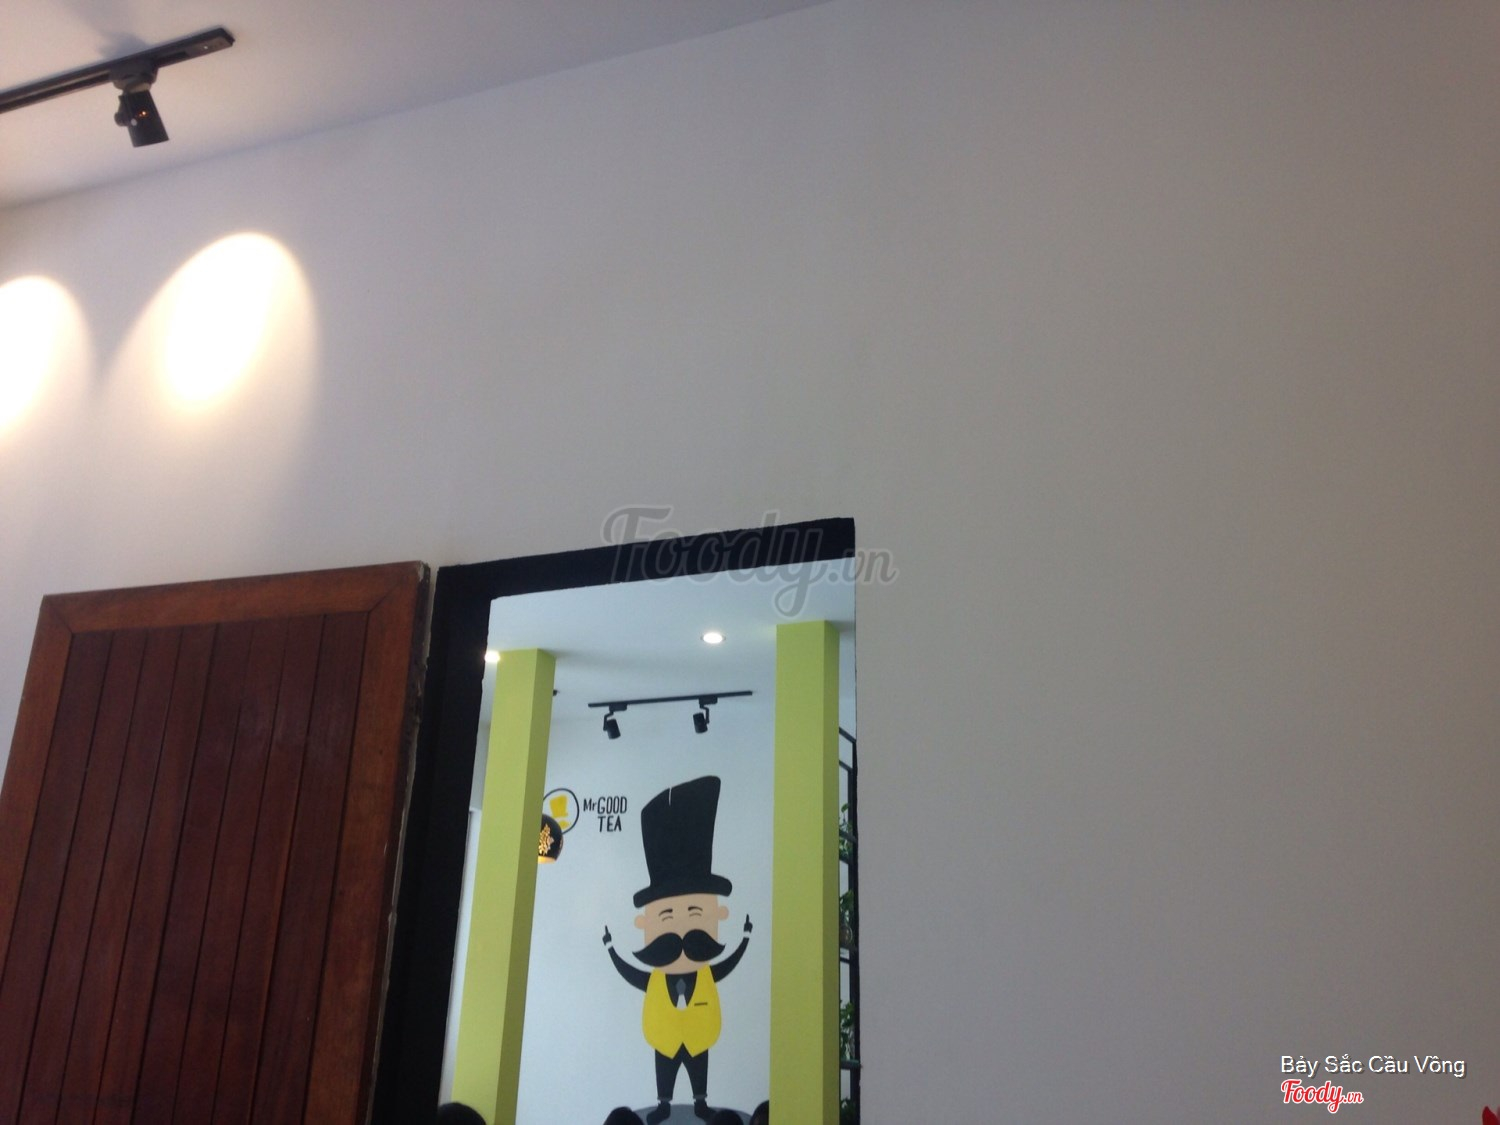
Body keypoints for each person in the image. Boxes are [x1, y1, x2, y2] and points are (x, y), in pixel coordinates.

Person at [604, 776, 752, 1124]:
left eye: (696, 913)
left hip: (698, 1038)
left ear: (718, 915)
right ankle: (664, 1103)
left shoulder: (706, 972)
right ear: (644, 923)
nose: (682, 933)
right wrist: (610, 948)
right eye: (667, 916)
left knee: (699, 1065)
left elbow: (728, 965)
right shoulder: (655, 978)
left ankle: (701, 1102)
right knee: (665, 1065)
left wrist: (745, 939)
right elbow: (630, 973)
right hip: (665, 1039)